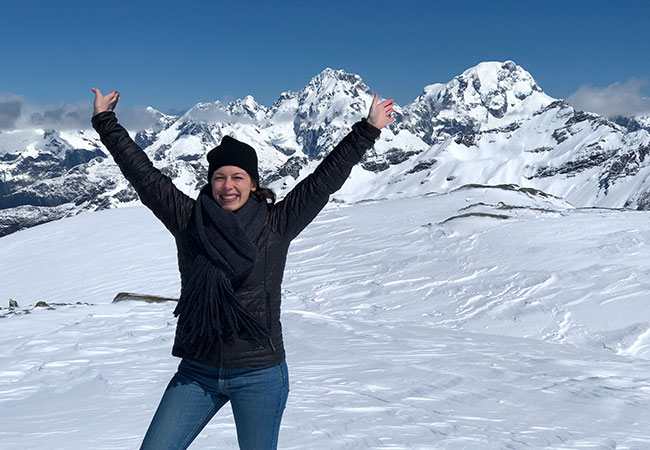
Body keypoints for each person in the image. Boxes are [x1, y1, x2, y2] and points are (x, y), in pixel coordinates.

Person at [91, 87, 395, 450]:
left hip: (259, 373)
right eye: (219, 177)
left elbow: (323, 181)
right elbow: (143, 175)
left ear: (253, 184)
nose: (228, 186)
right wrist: (105, 121)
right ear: (210, 182)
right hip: (197, 371)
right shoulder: (188, 219)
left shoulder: (277, 224)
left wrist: (367, 129)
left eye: (238, 177)